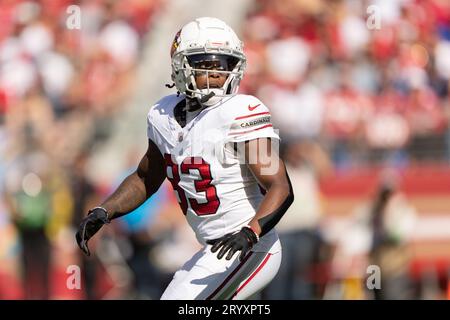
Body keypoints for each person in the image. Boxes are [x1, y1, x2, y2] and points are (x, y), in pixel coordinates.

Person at [75, 17, 294, 300]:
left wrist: (250, 232)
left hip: (251, 246)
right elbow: (146, 177)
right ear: (181, 65)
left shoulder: (240, 111)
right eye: (208, 64)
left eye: (224, 65)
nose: (217, 74)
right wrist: (104, 211)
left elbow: (281, 186)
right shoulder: (162, 115)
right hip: (212, 250)